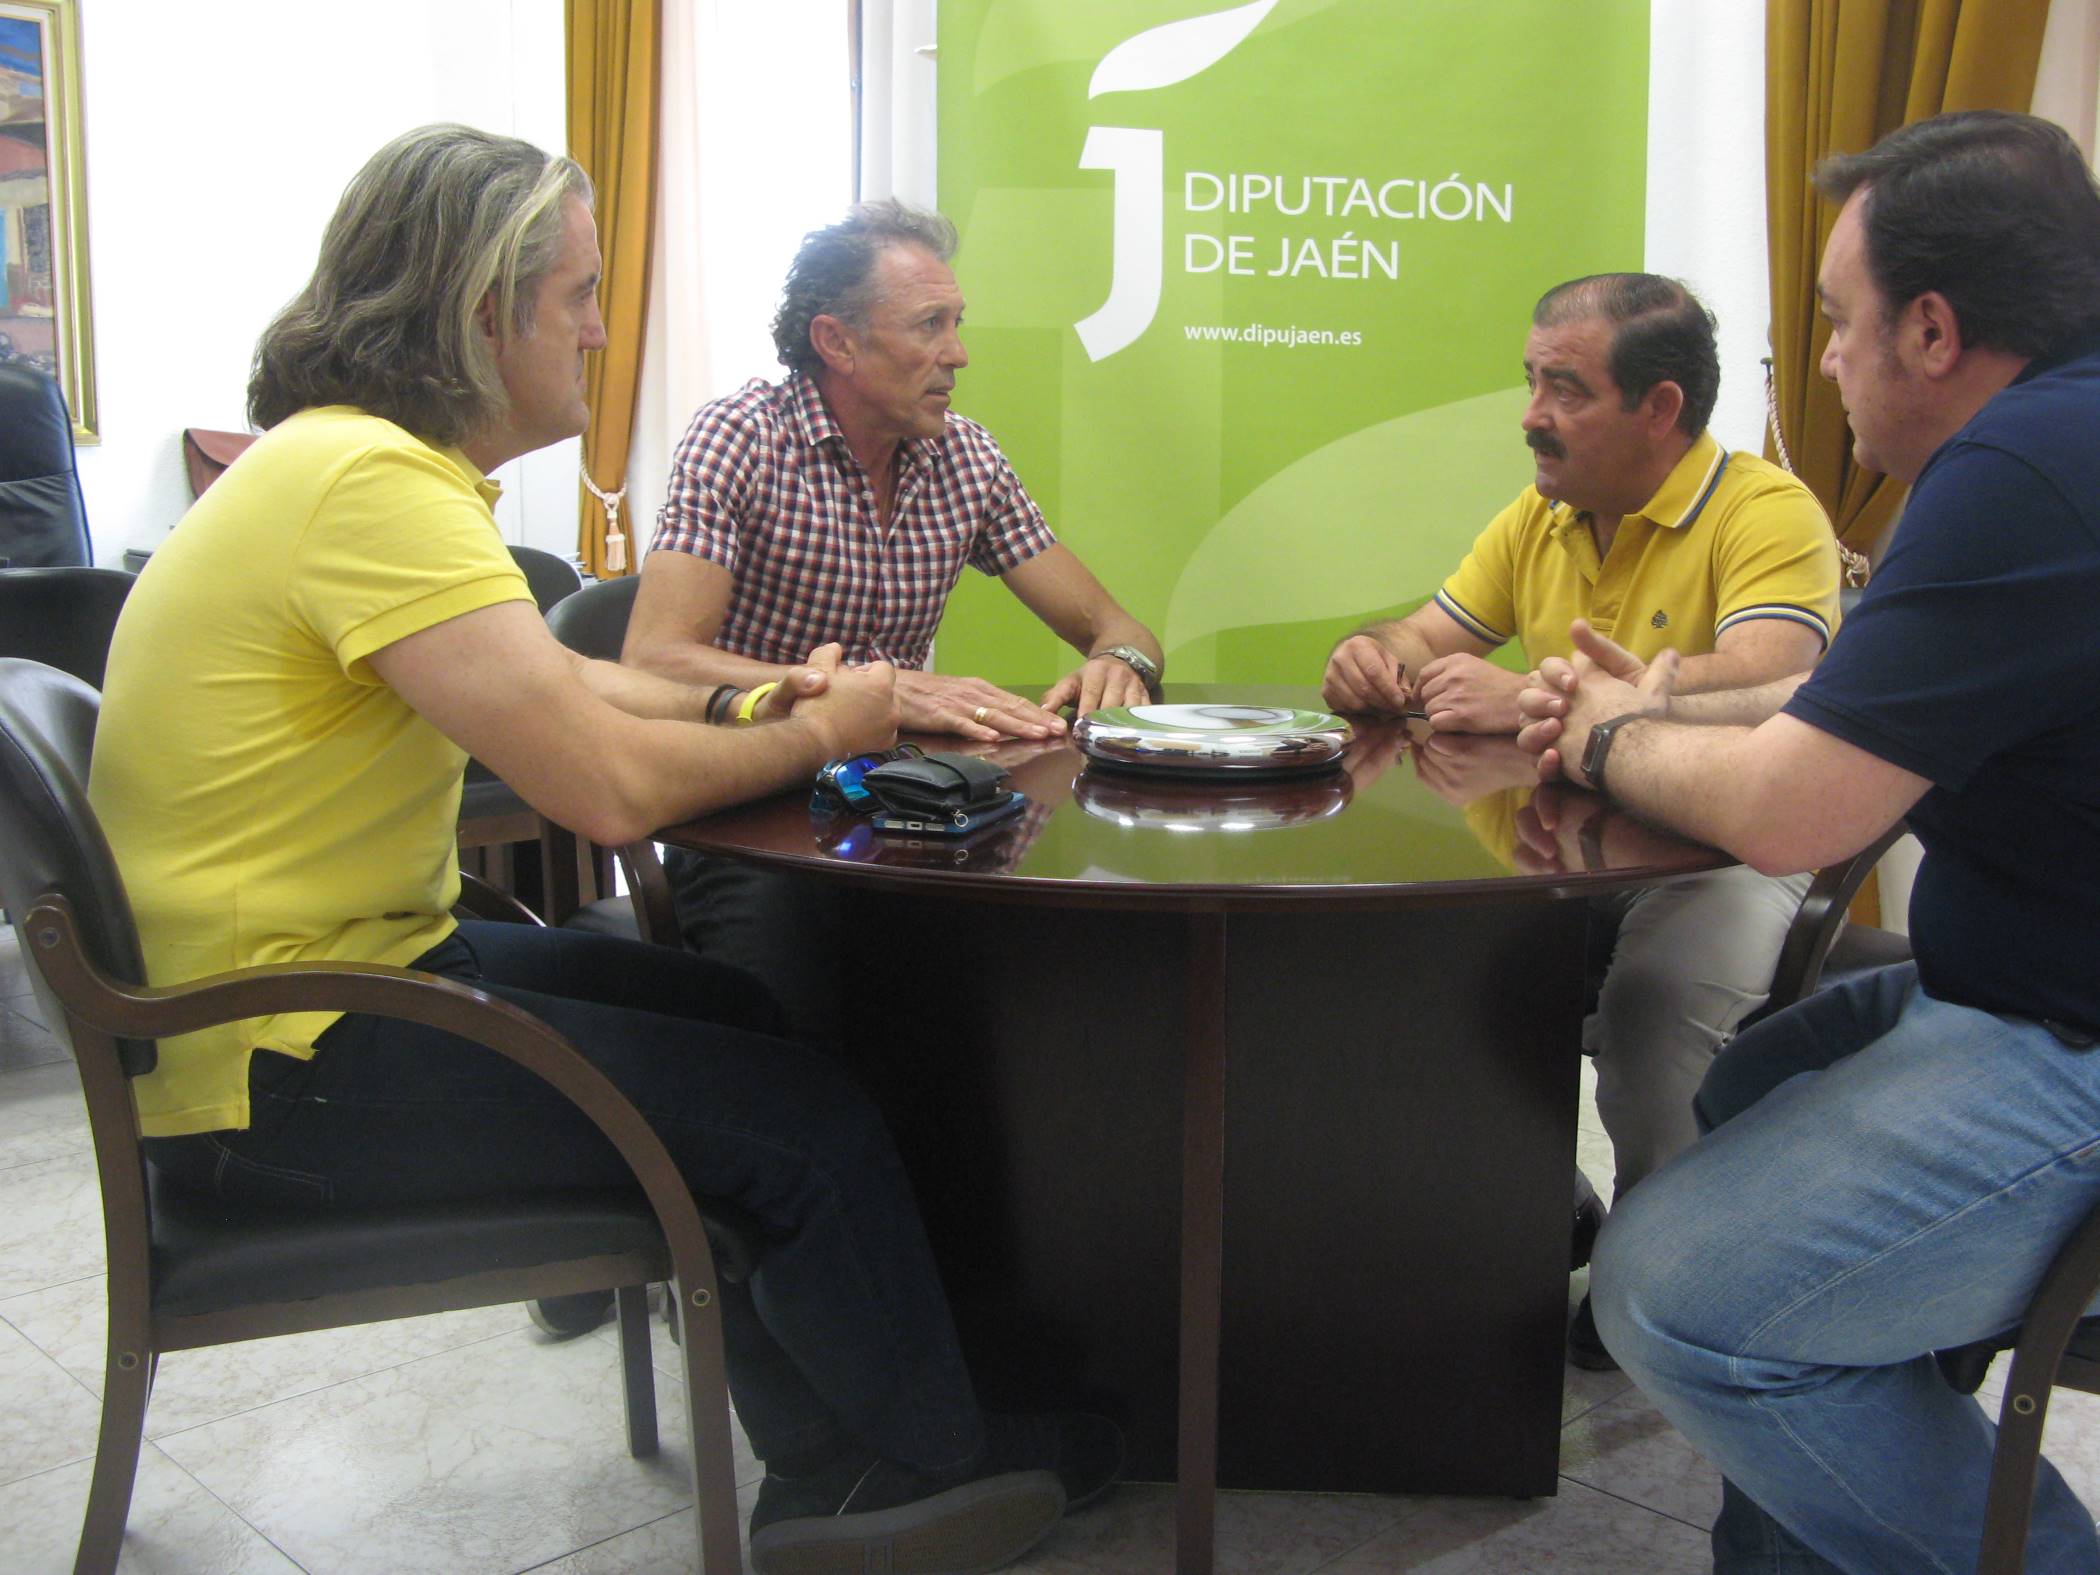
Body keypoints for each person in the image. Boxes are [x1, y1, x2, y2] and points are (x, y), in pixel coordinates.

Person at [88, 124, 1116, 1575]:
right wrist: (835, 727)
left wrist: (773, 701)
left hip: (298, 1000)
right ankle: (908, 1475)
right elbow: (613, 792)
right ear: (480, 310)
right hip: (281, 1064)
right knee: (801, 1120)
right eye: (577, 294)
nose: (597, 329)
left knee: (748, 1024)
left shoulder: (347, 468)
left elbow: (577, 682)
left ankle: (837, 1456)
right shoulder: (371, 490)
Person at [1516, 110, 2100, 1572]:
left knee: (1672, 1291)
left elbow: (1797, 810)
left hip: (2066, 1036)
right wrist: (1656, 703)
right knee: (1755, 1078)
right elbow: (1861, 701)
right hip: (2017, 982)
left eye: (1836, 325)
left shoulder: (2018, 467)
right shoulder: (2063, 436)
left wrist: (1602, 737)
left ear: (1931, 330)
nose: (1826, 364)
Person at [1319, 273, 1843, 1367]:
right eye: (1531, 382)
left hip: (1729, 844)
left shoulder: (1765, 509)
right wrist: (1373, 656)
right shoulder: (1542, 513)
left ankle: (1669, 1287)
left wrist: (1543, 695)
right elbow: (1426, 634)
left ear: (1660, 408)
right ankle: (1549, 1213)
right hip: (1568, 844)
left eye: (1565, 390)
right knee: (1412, 969)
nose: (1531, 416)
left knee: (1656, 1012)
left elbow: (1774, 678)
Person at [622, 200, 1165, 1041]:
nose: (959, 353)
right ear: (836, 342)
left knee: (1037, 992)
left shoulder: (966, 457)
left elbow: (1118, 625)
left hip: (908, 811)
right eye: (929, 325)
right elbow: (654, 659)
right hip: (752, 812)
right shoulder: (742, 439)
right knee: (801, 1040)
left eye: (957, 323)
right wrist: (871, 691)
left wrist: (1124, 662)